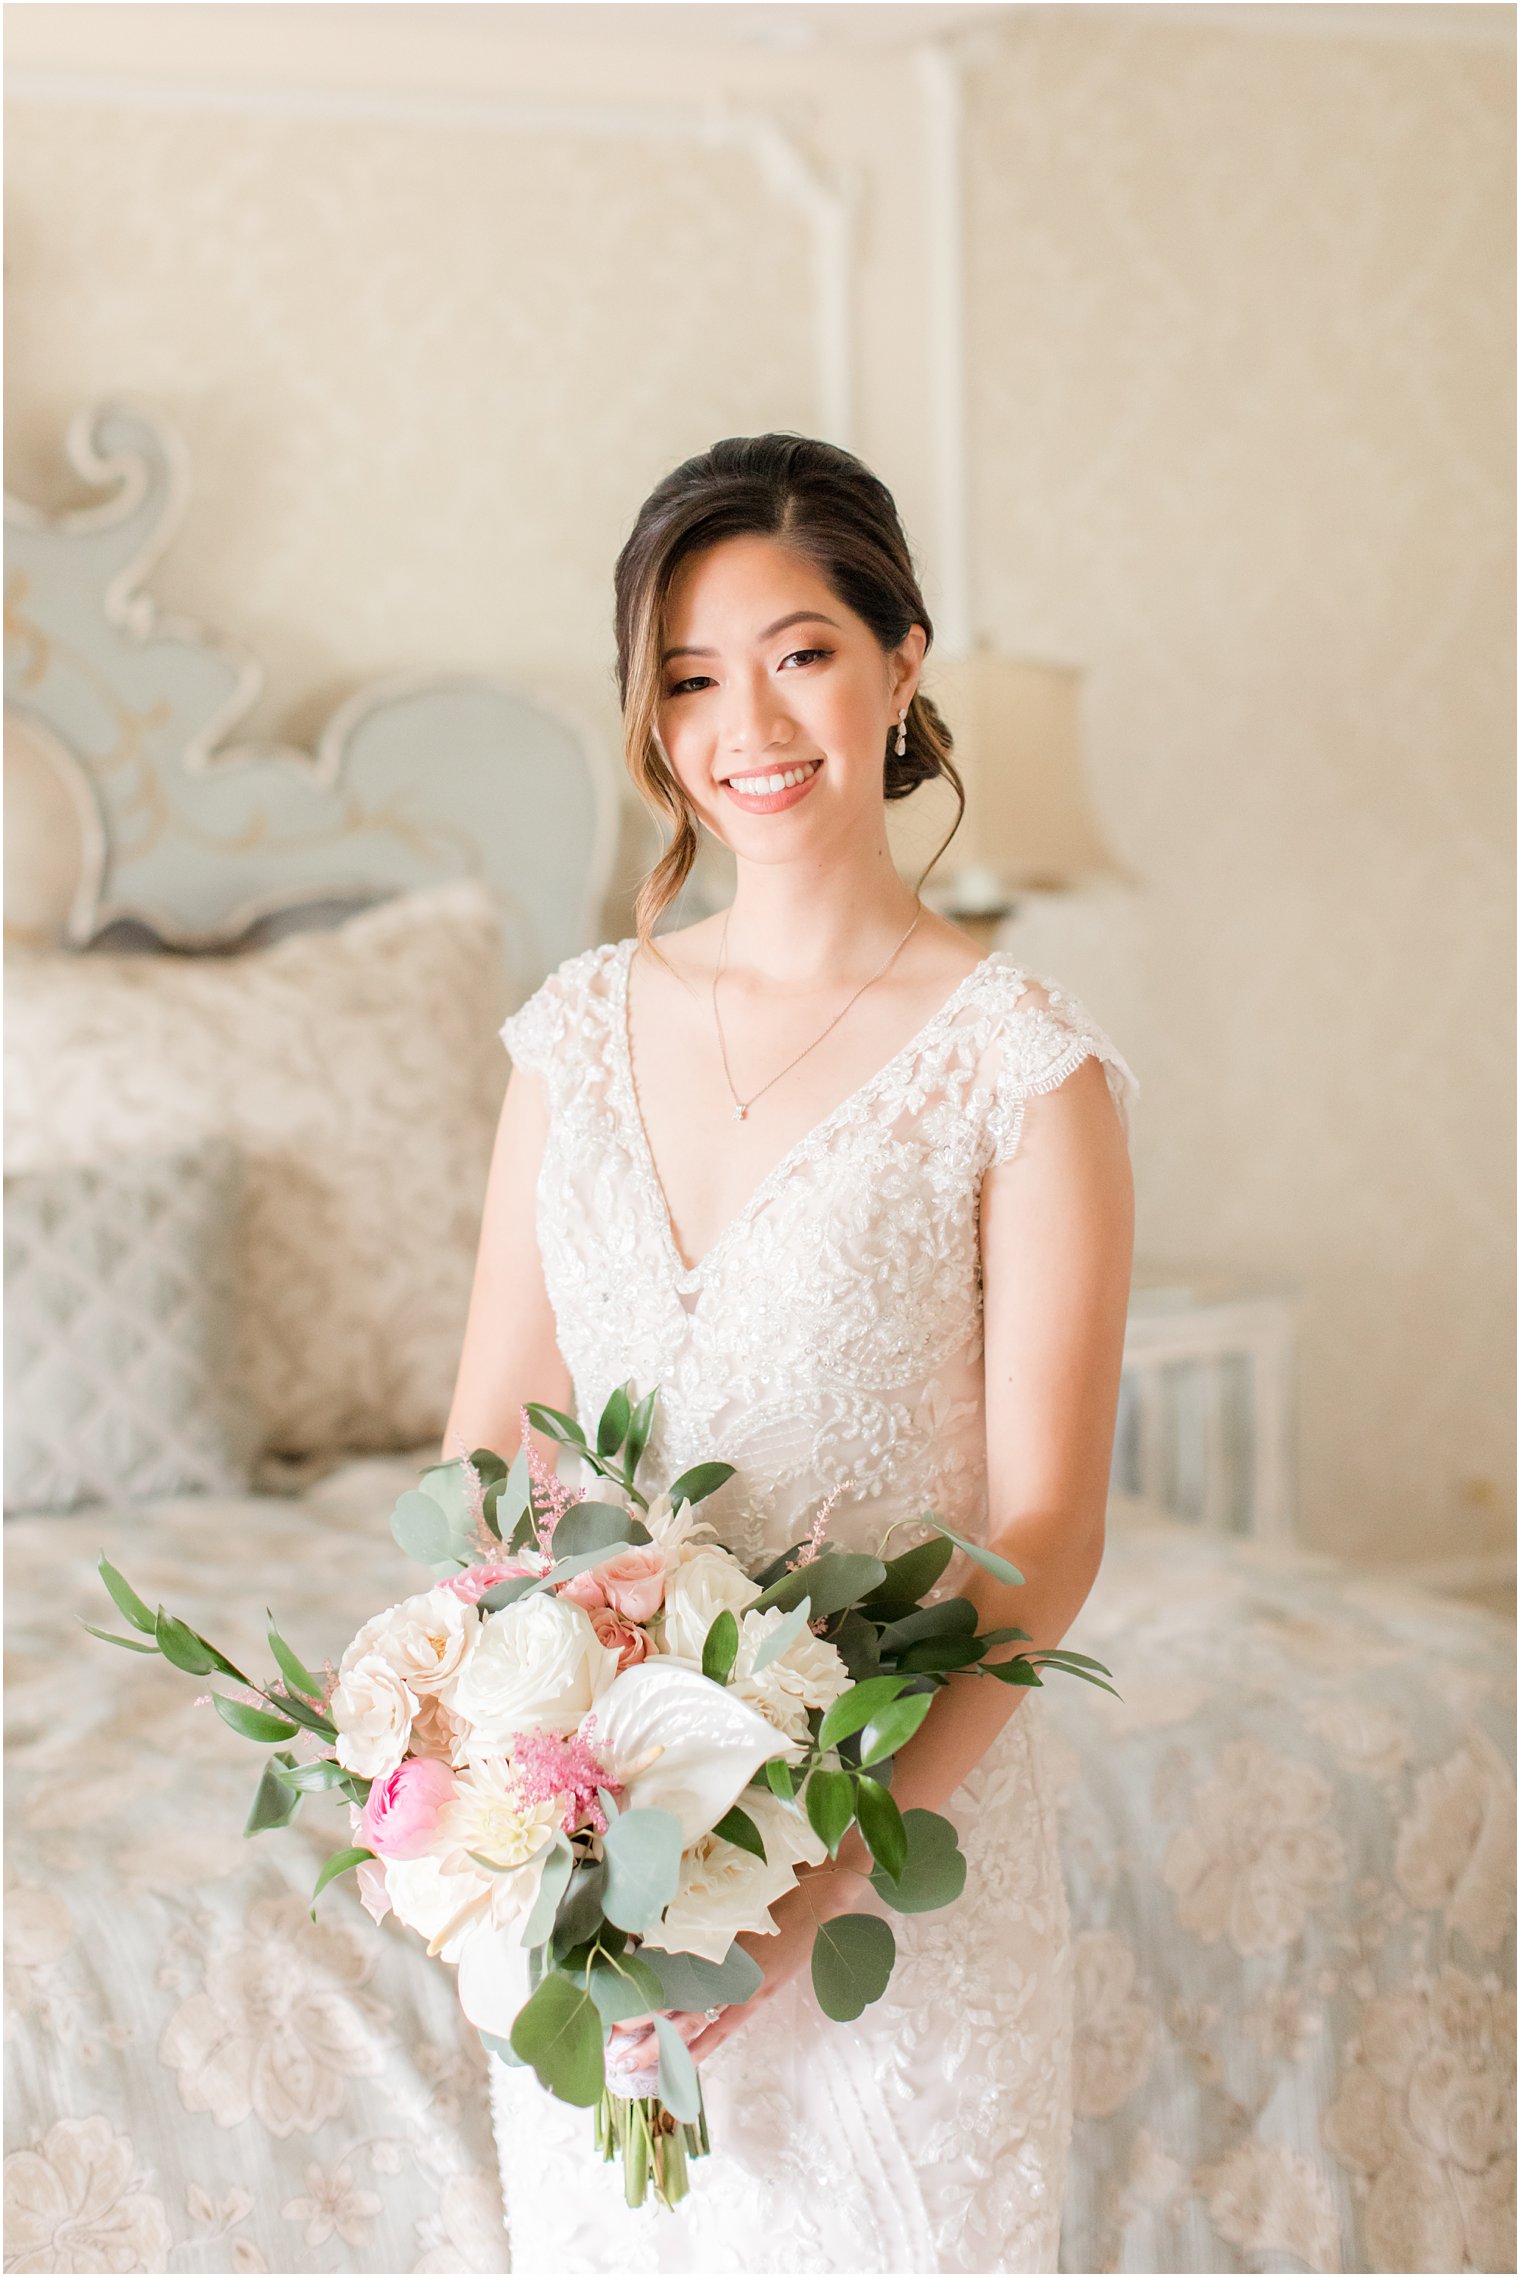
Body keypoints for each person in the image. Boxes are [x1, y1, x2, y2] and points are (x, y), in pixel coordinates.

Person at [444, 433, 1139, 2274]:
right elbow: (488, 1466)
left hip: (893, 1886)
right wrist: (523, 1797)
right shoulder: (575, 1031)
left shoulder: (1023, 1067)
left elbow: (1048, 1532)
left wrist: (807, 1889)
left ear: (904, 662)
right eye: (687, 674)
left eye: (800, 649)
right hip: (597, 1882)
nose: (745, 717)